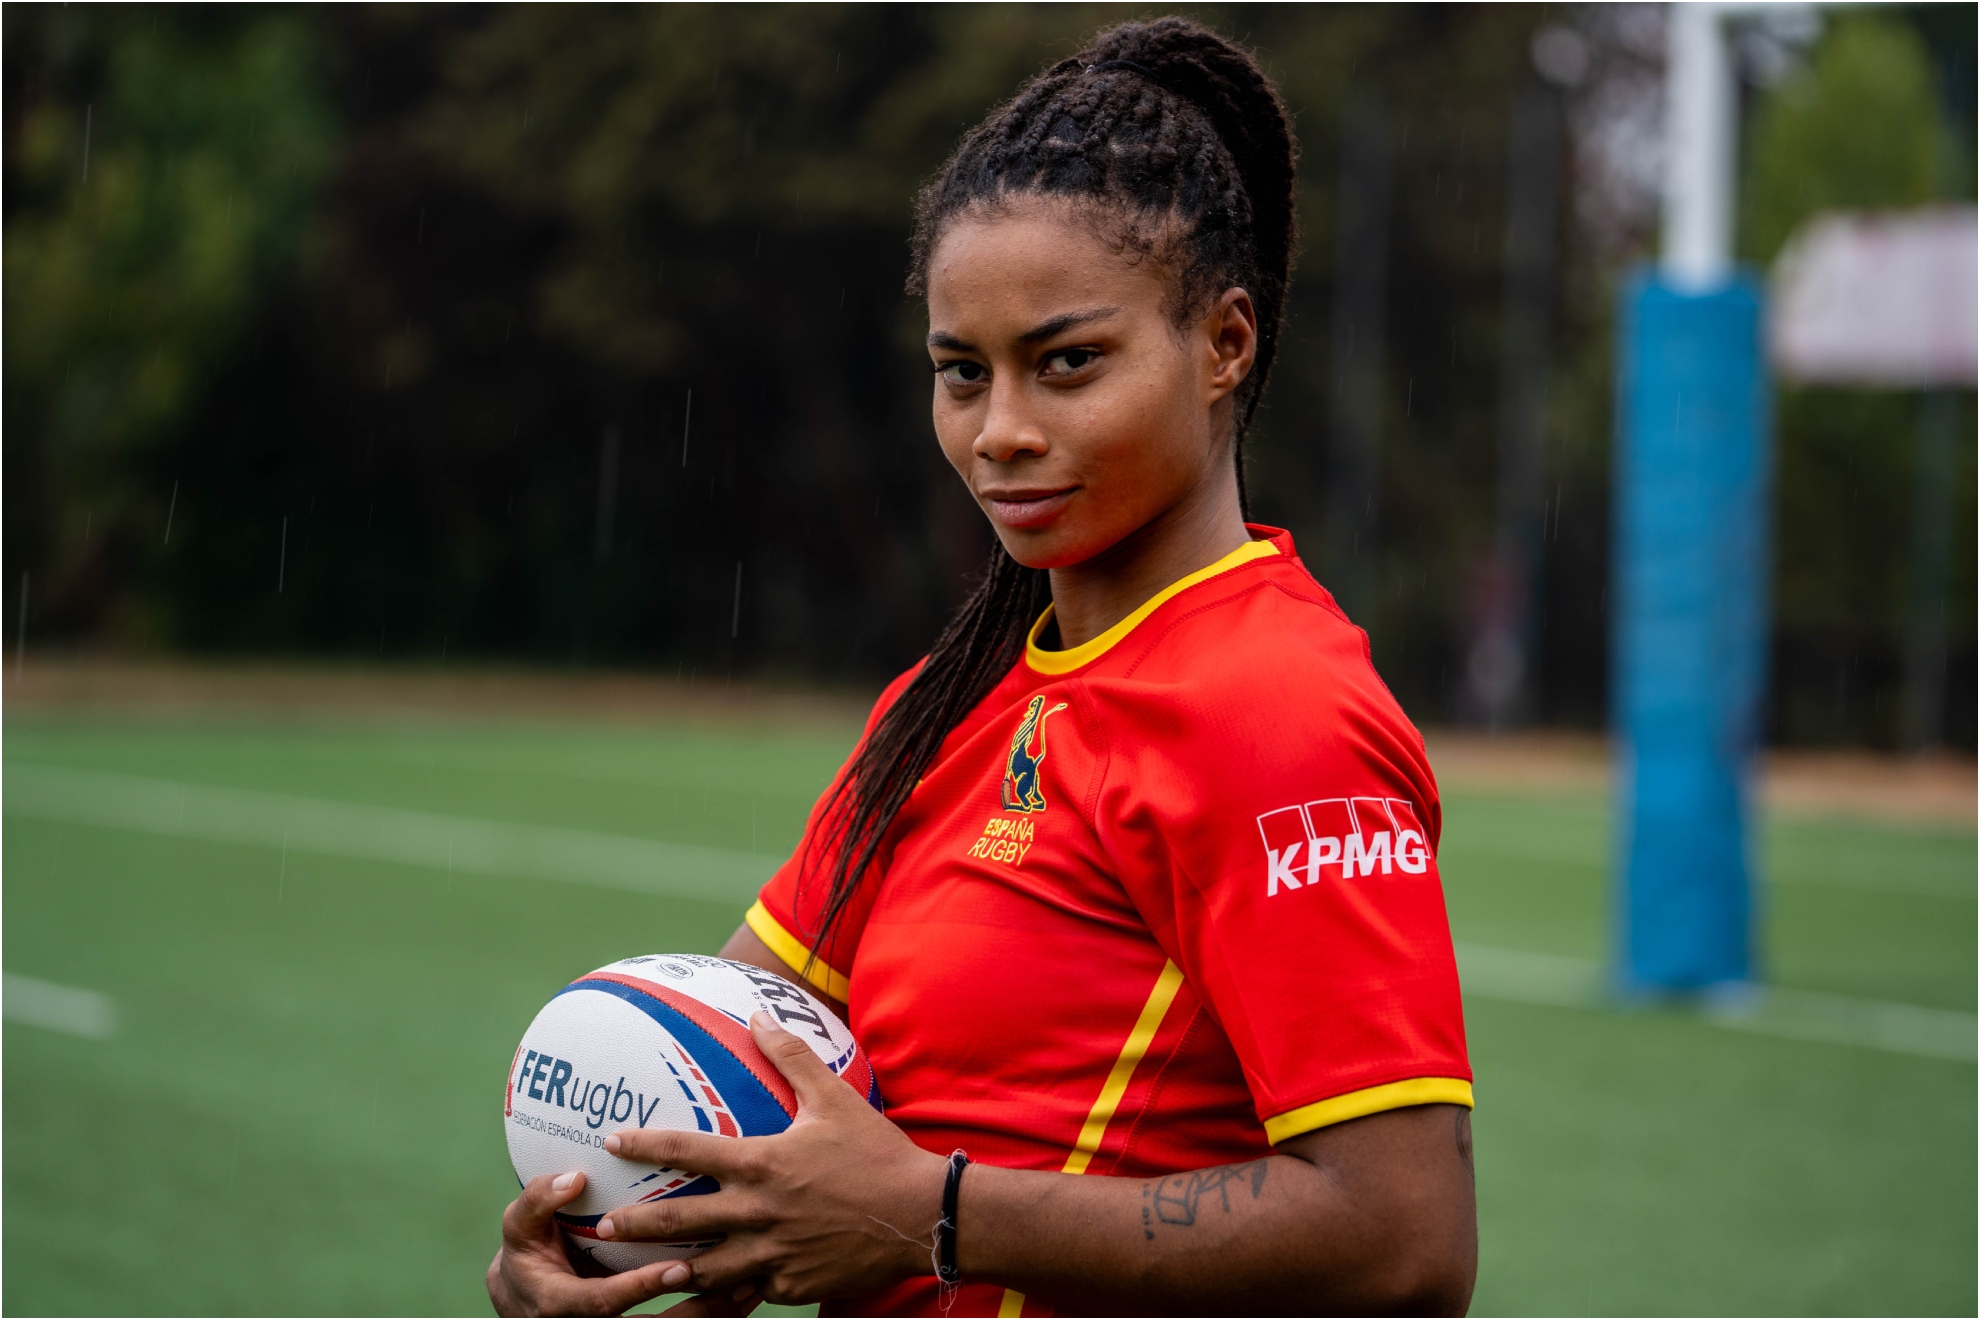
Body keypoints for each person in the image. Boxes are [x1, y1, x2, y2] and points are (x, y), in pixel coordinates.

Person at [489, 16, 1475, 1317]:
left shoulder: (1275, 708)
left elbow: (1403, 1241)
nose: (1001, 431)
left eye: (1069, 364)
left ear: (1225, 345)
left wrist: (924, 1214)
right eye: (962, 373)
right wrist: (606, 1230)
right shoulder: (945, 703)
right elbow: (741, 1050)